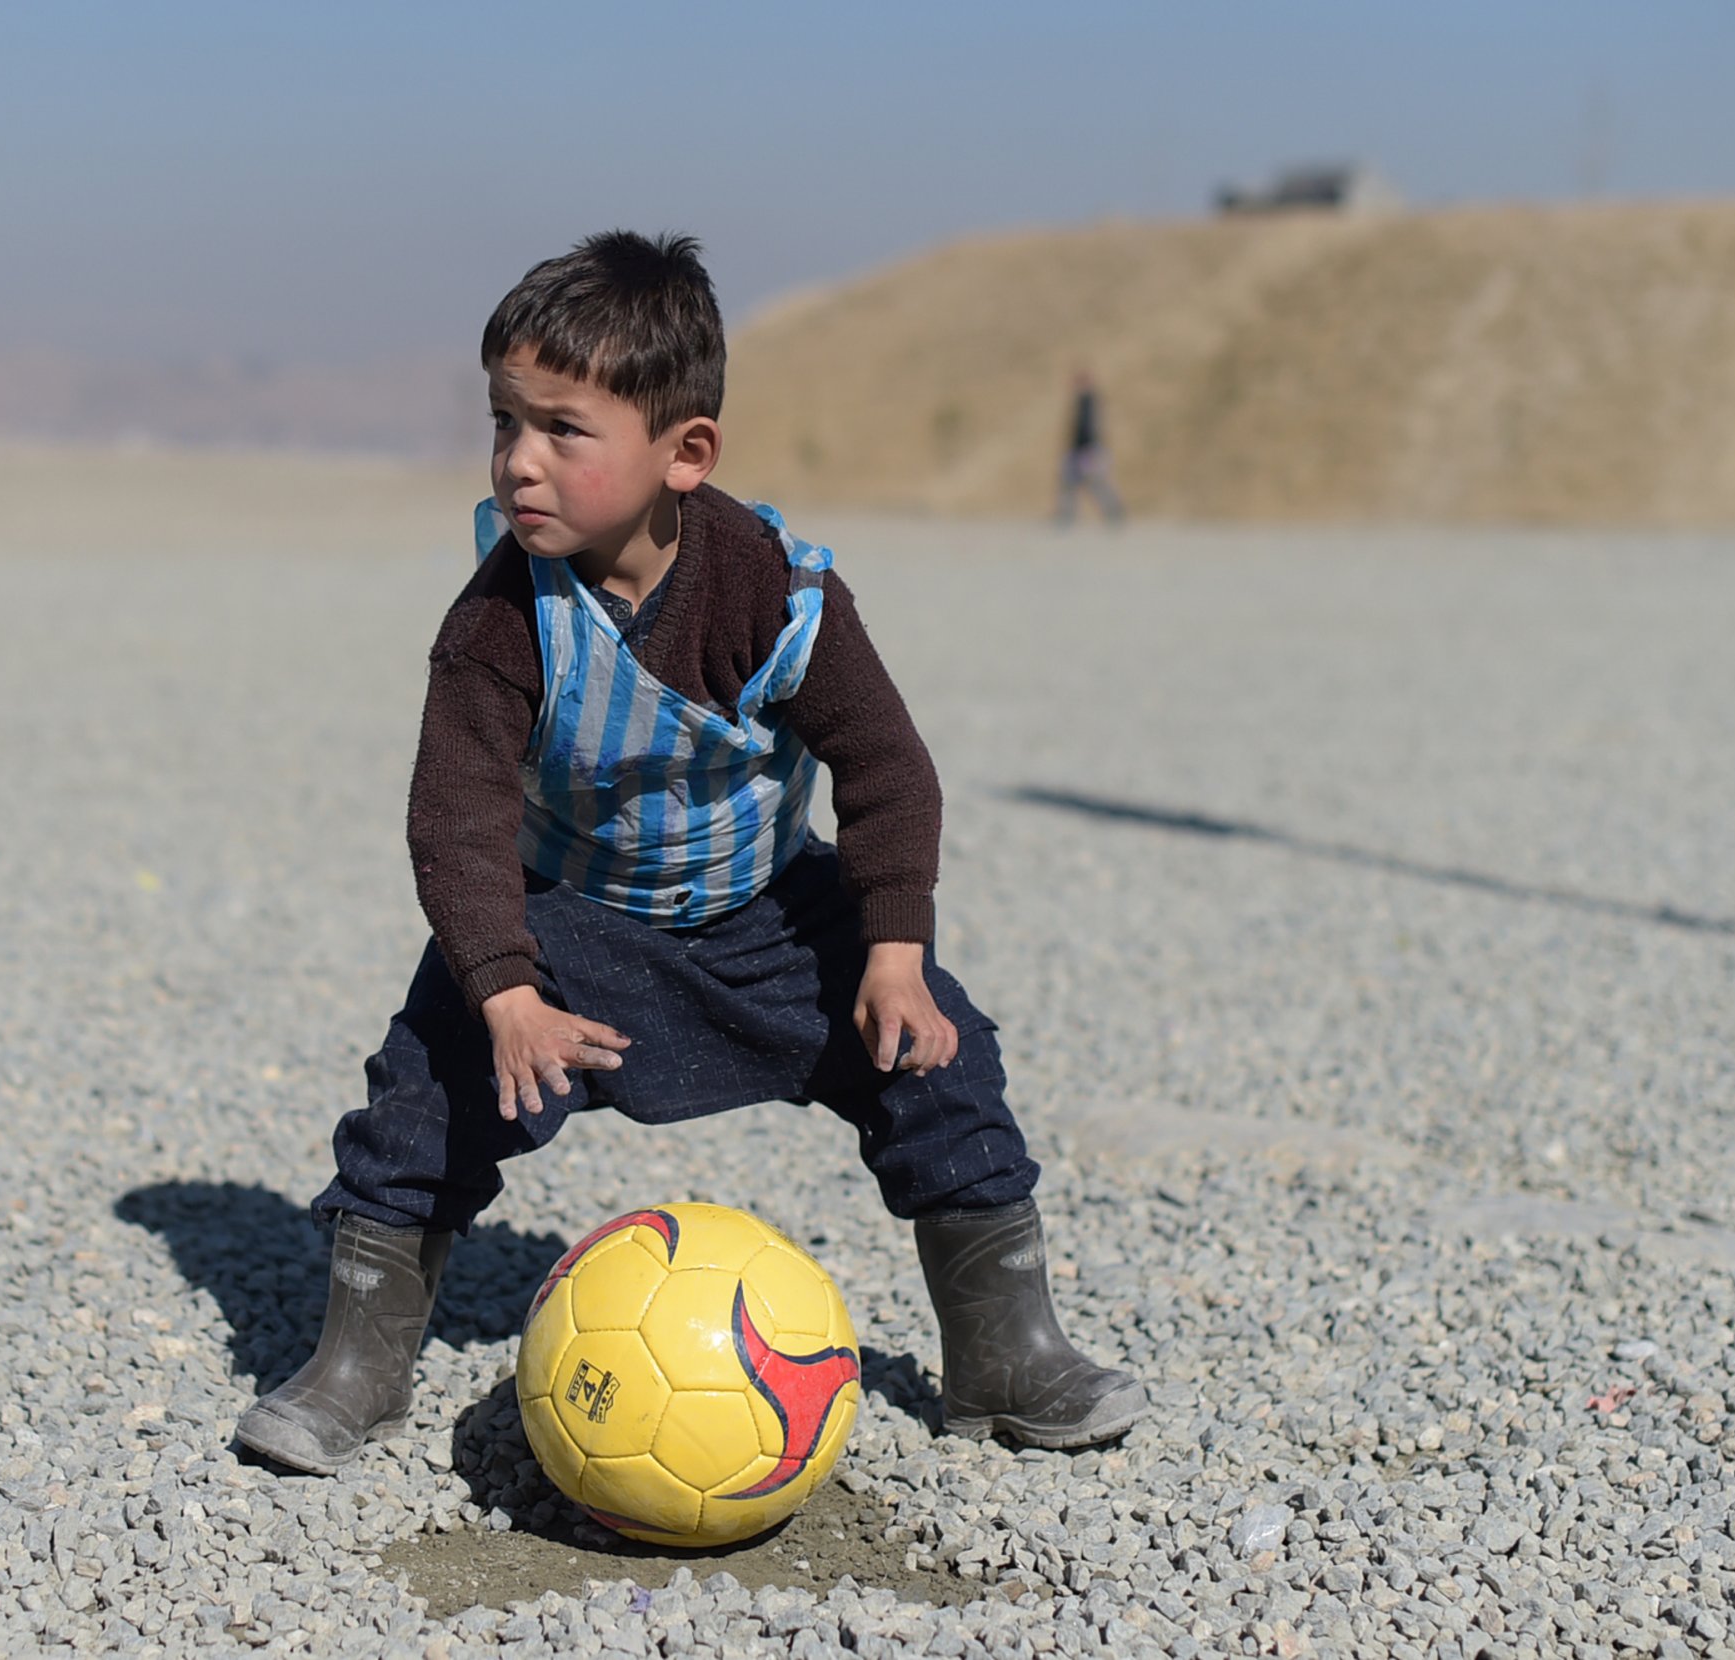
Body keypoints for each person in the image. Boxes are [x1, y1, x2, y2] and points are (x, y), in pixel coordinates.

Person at [233, 232, 1145, 1474]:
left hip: (768, 908)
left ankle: (1005, 1351)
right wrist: (503, 991)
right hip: (577, 919)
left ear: (685, 453)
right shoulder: (501, 619)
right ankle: (358, 1366)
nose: (518, 462)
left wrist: (892, 950)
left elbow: (887, 770)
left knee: (941, 1058)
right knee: (430, 1080)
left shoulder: (774, 593)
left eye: (563, 429)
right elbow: (454, 816)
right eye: (504, 422)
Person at [1056, 369, 1126, 526]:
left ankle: (1114, 511)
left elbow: (1087, 429)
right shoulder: (1087, 401)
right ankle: (1067, 515)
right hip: (1085, 450)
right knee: (1074, 483)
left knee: (1093, 483)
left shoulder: (1088, 401)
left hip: (1086, 451)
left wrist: (1086, 449)